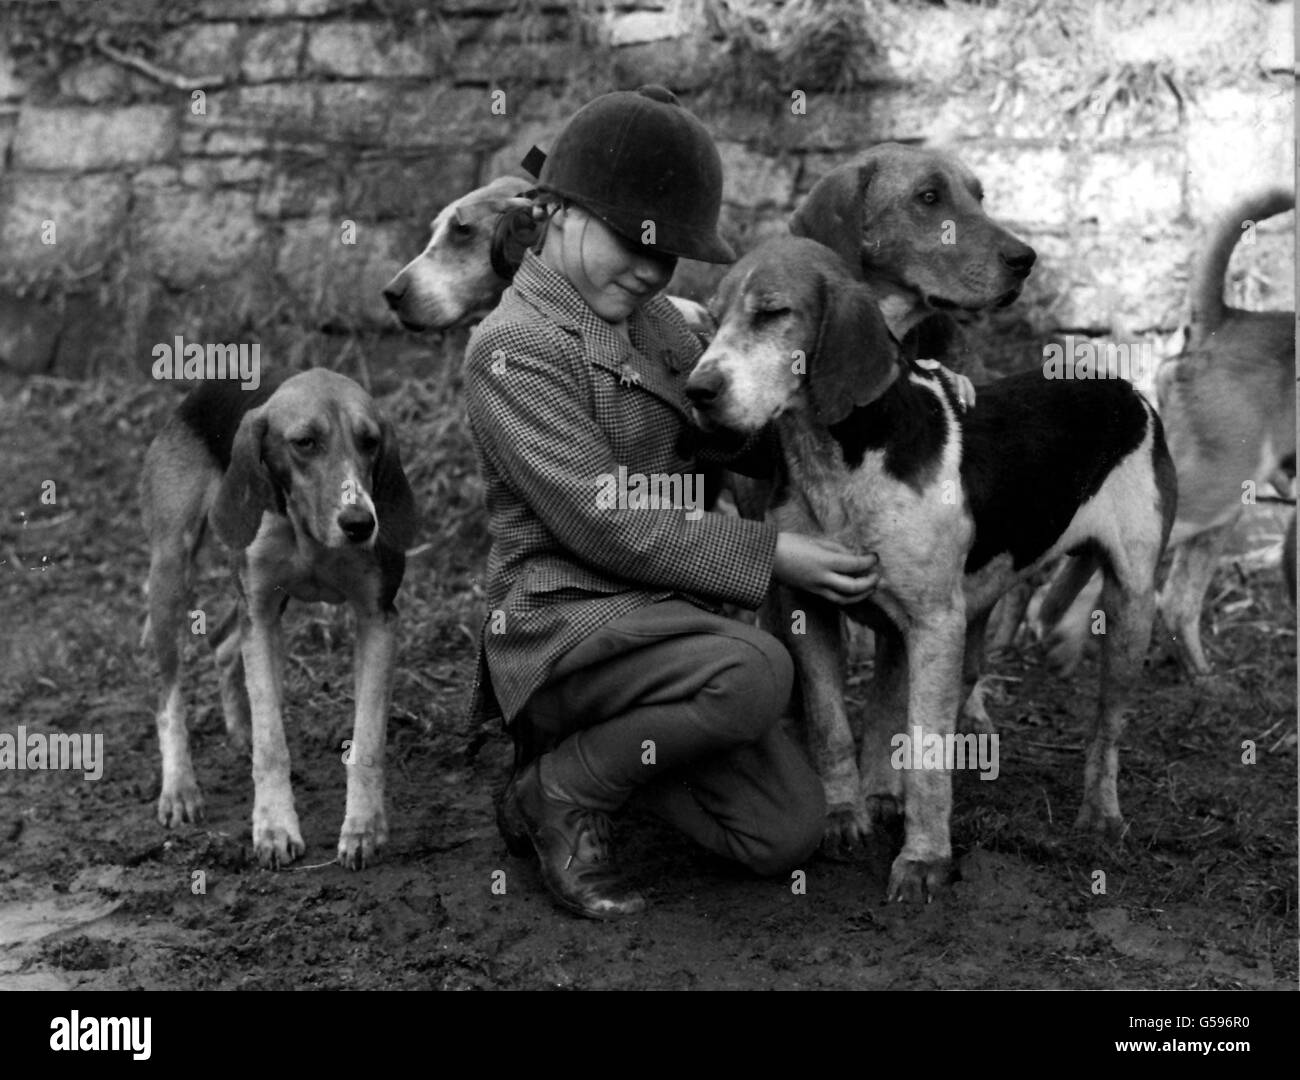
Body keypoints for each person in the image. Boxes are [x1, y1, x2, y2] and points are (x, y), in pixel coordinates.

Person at [463, 85, 881, 920]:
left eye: (670, 252)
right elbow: (604, 520)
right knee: (758, 670)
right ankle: (558, 787)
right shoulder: (512, 349)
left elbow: (734, 426)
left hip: (667, 638)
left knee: (783, 833)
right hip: (565, 627)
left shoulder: (660, 326)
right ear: (556, 209)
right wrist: (770, 556)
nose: (655, 268)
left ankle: (598, 760)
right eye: (635, 240)